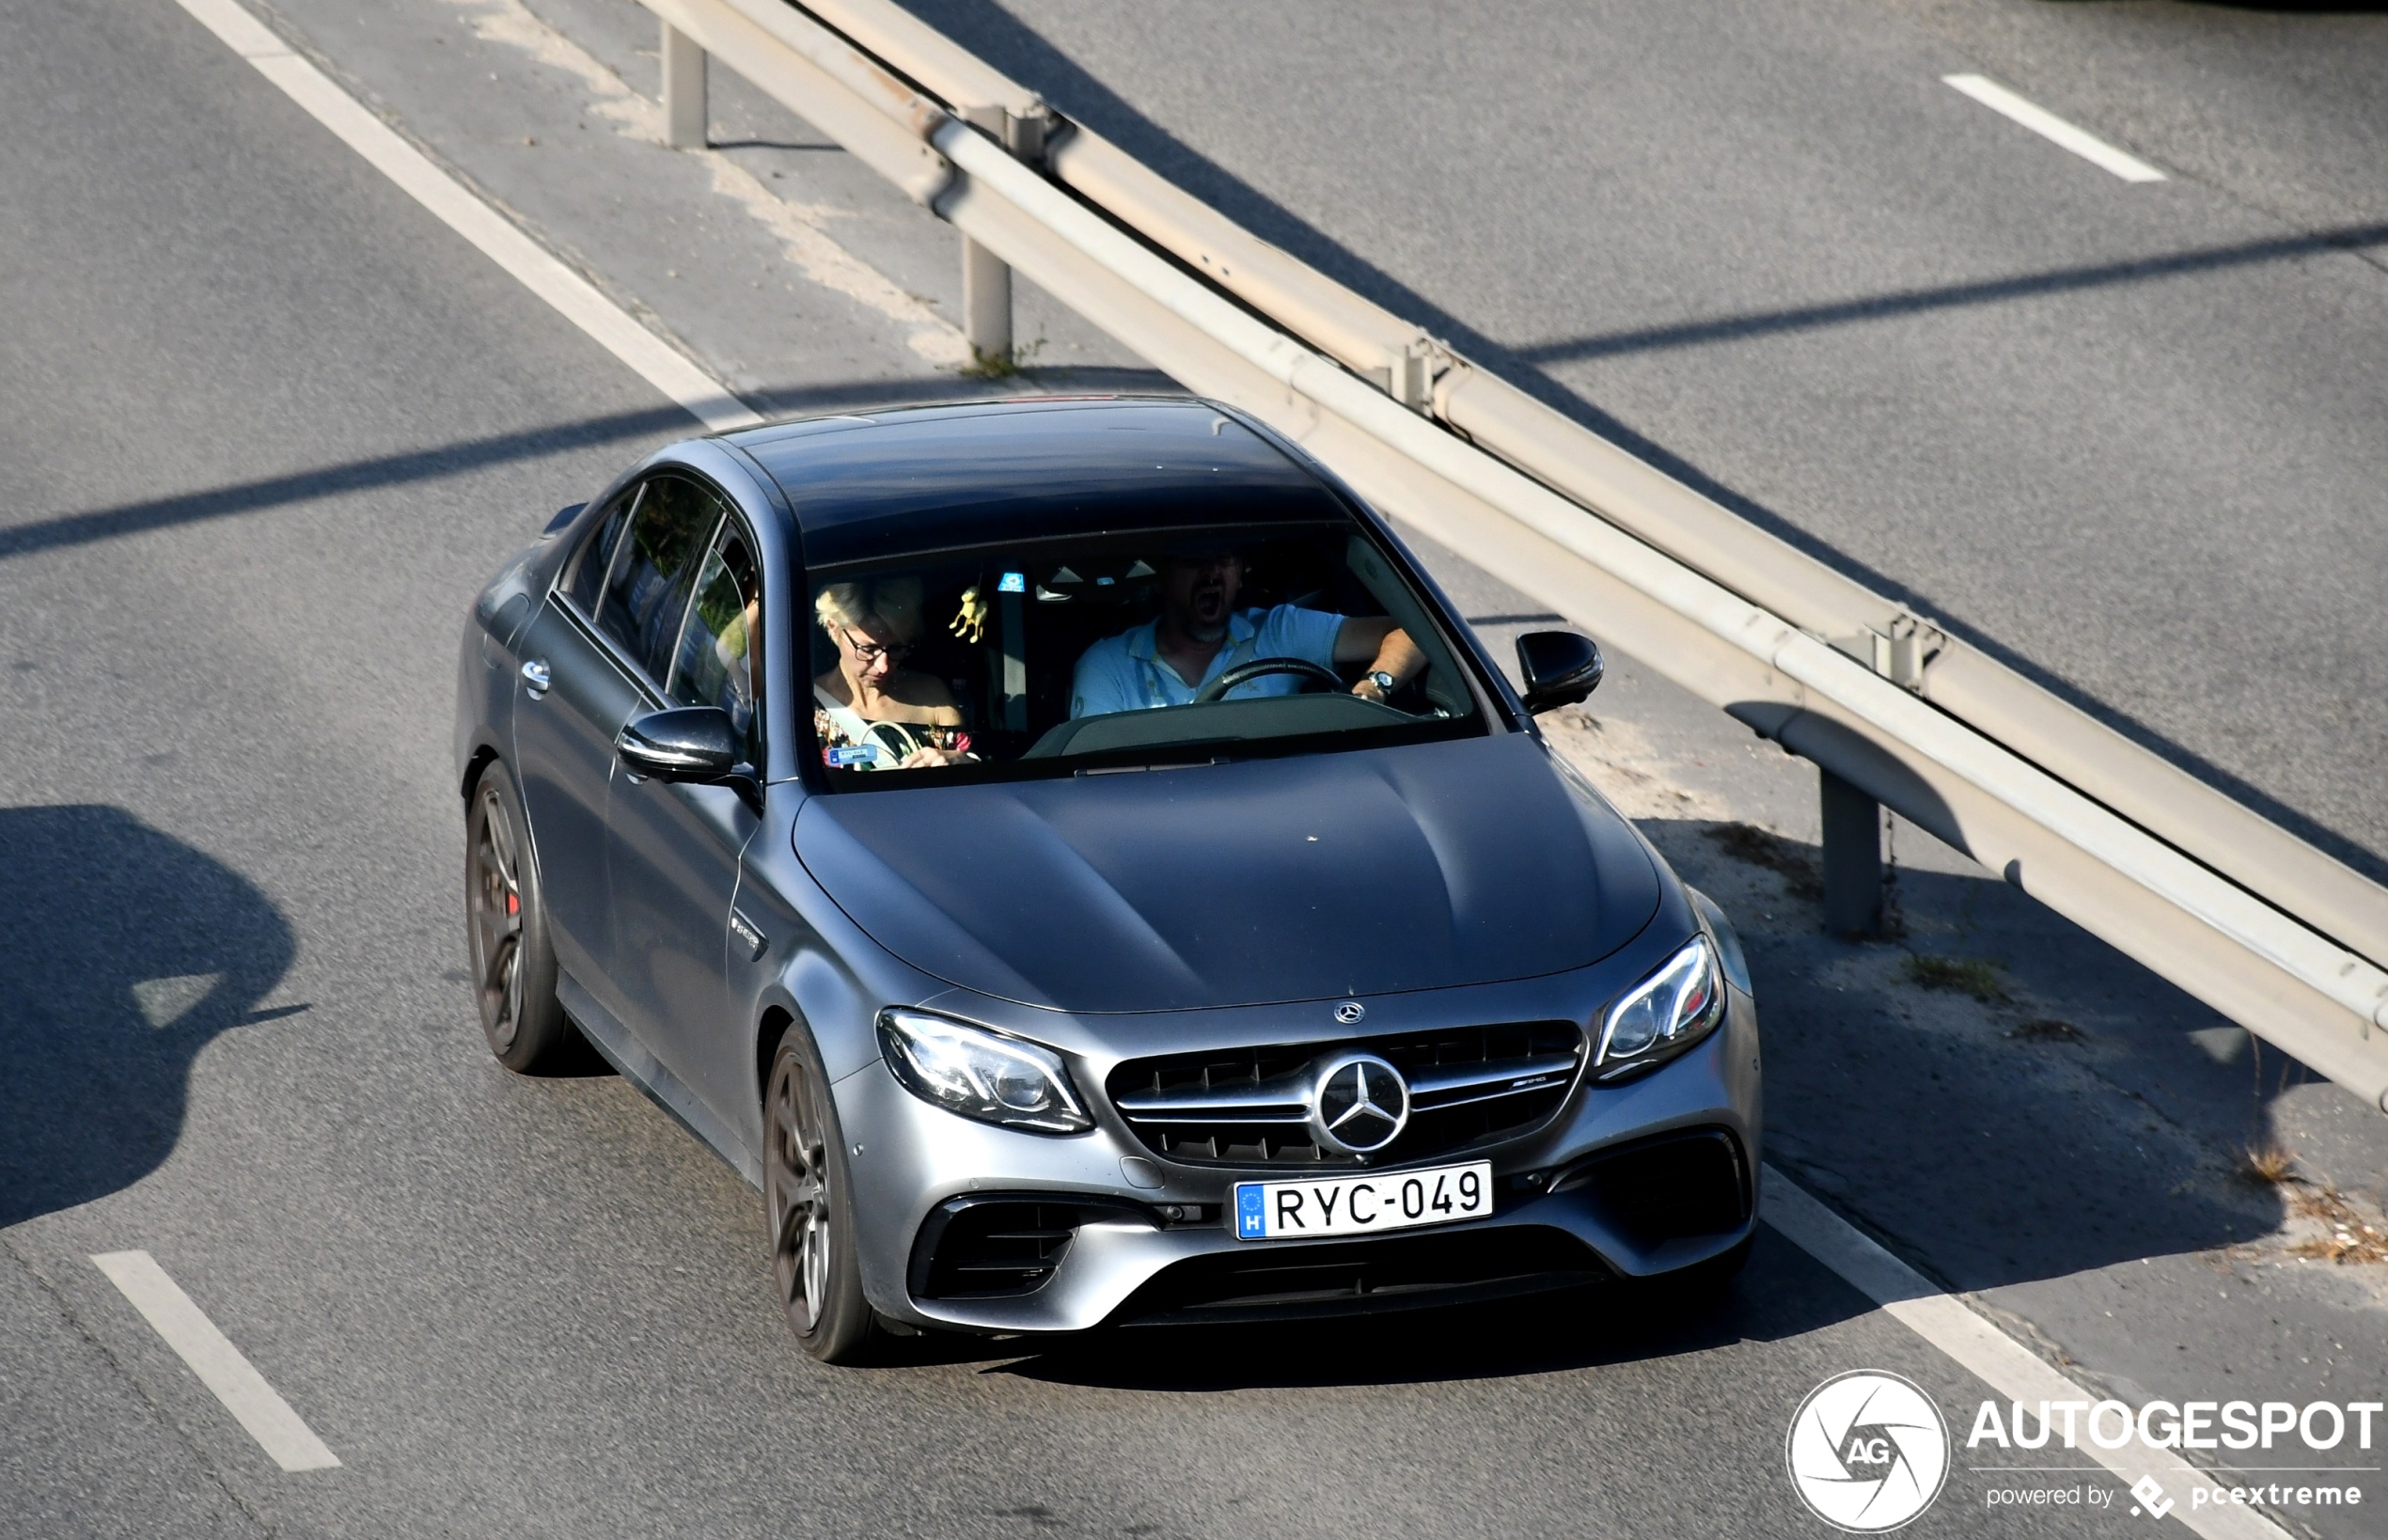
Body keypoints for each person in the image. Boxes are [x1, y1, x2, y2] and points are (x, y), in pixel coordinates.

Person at [1071, 547, 1423, 717]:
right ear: (1163, 578)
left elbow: (1414, 632)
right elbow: (1096, 779)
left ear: (1239, 574)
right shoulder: (1109, 666)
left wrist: (1374, 688)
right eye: (1194, 560)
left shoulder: (1279, 631)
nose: (1211, 573)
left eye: (1223, 560)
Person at [811, 578, 970, 770]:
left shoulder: (933, 697)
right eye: (868, 649)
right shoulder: (804, 709)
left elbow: (977, 776)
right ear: (833, 628)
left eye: (895, 648)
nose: (883, 666)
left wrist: (958, 761)